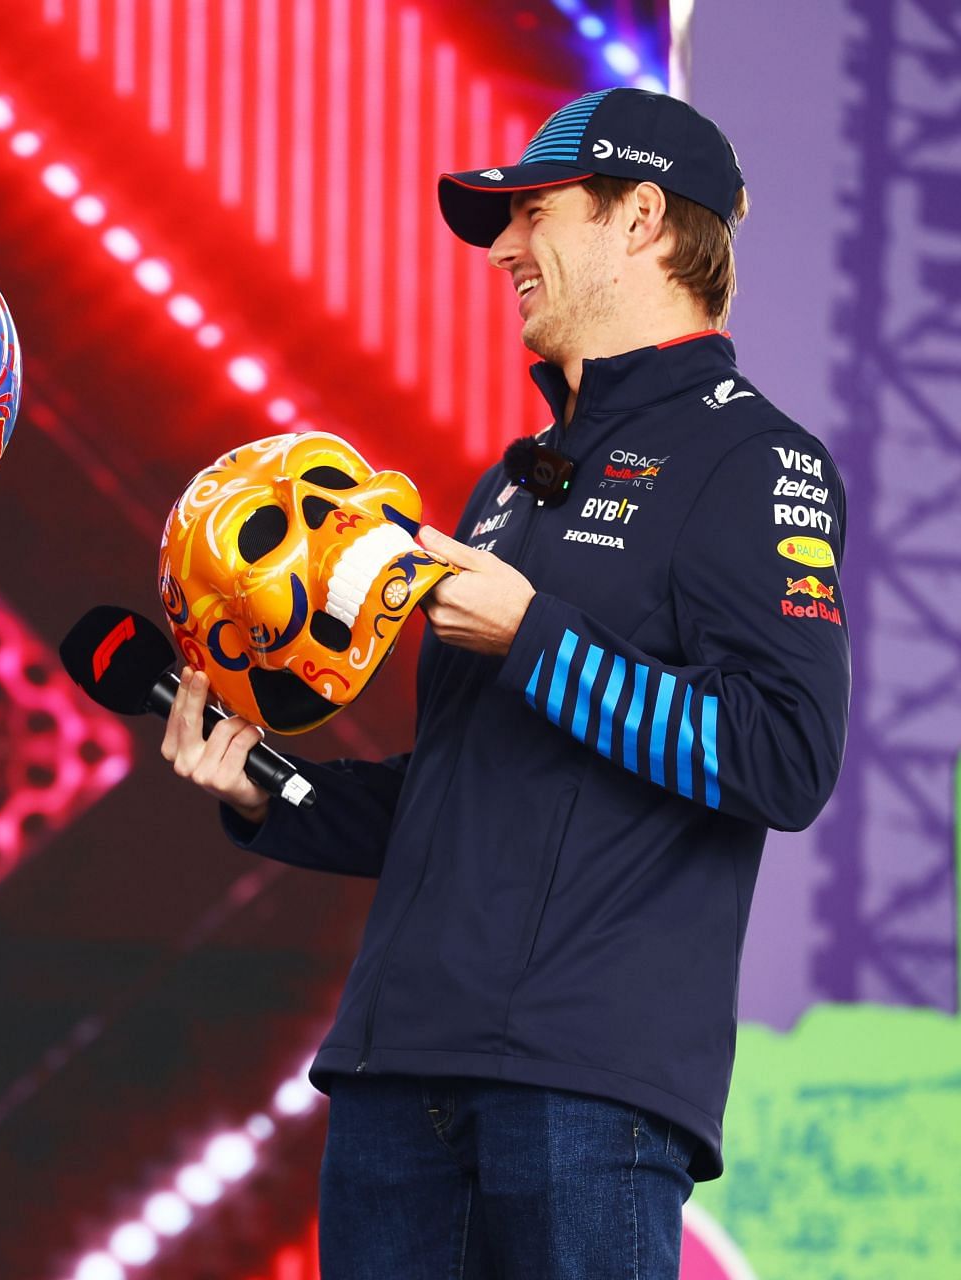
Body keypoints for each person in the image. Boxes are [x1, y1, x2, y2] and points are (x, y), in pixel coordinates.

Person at [161, 88, 849, 1278]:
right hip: (395, 1071)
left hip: (585, 1091)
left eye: (535, 213)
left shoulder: (759, 457)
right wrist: (273, 793)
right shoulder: (511, 481)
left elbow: (784, 758)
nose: (507, 249)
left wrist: (538, 637)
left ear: (641, 218)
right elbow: (467, 789)